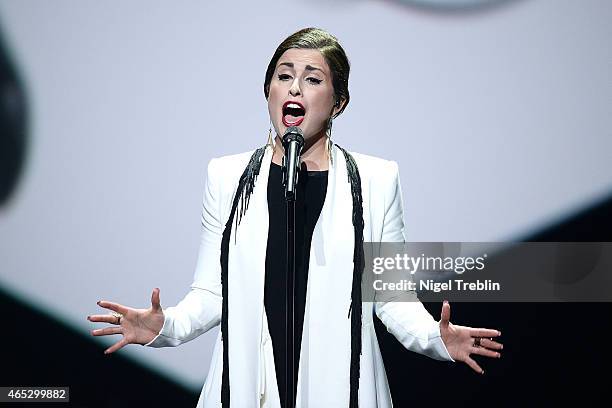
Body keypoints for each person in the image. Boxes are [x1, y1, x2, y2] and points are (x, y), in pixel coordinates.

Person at [88, 27, 503, 408]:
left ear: (339, 102)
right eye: (284, 76)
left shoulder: (377, 180)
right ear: (268, 90)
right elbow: (213, 294)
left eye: (313, 78)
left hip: (340, 388)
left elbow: (392, 299)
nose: (296, 87)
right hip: (248, 387)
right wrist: (164, 328)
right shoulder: (226, 176)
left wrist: (436, 338)